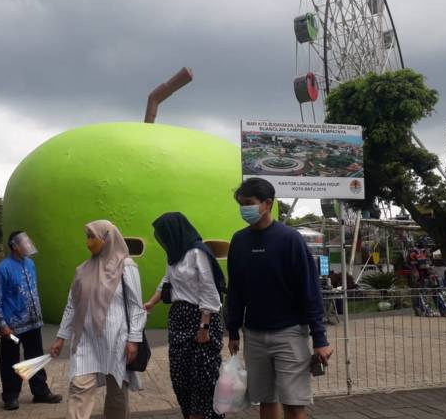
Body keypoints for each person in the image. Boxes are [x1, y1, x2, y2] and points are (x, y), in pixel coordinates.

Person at [226, 178, 333, 419]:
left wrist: (320, 338)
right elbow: (235, 289)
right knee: (265, 401)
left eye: (249, 203)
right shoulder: (239, 241)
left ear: (268, 204)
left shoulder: (290, 239)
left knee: (294, 404)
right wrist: (233, 329)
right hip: (253, 334)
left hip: (290, 333)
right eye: (241, 204)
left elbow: (310, 290)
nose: (244, 209)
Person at [49, 220, 147, 419]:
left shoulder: (126, 267)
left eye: (92, 236)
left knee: (117, 393)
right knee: (79, 388)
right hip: (86, 340)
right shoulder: (82, 270)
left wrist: (133, 340)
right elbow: (72, 306)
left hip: (116, 341)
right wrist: (61, 337)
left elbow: (136, 307)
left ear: (107, 238)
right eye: (87, 236)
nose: (88, 241)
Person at [144, 212, 226, 419]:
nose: (162, 240)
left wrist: (204, 327)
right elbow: (166, 281)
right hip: (179, 319)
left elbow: (209, 289)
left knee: (202, 378)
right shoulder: (175, 255)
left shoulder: (197, 252)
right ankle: (189, 414)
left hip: (200, 318)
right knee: (181, 376)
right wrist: (151, 302)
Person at [0, 231, 62, 410]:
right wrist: (2, 324)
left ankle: (40, 392)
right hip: (12, 327)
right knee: (11, 362)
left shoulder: (30, 264)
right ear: (14, 246)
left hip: (33, 323)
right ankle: (10, 396)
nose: (28, 244)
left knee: (35, 358)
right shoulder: (2, 269)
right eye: (24, 242)